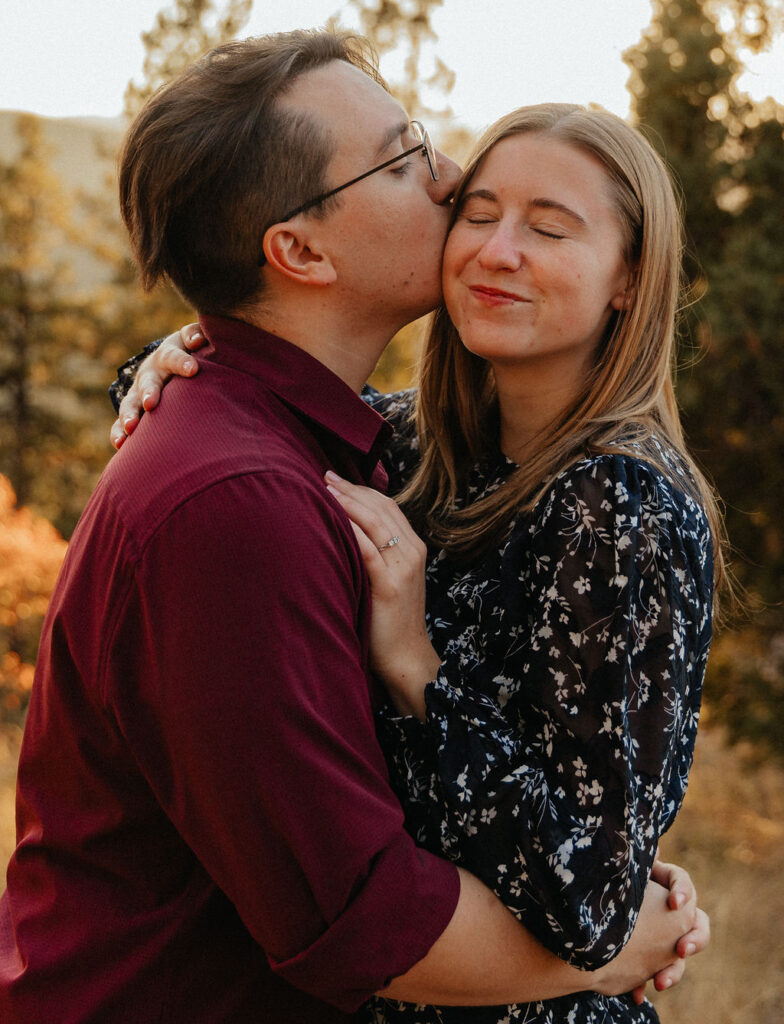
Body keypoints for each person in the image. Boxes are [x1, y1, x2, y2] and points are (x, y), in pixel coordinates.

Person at [0, 32, 706, 1024]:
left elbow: (571, 831)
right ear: (296, 250)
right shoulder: (249, 493)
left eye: (549, 226)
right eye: (405, 155)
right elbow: (368, 916)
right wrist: (614, 941)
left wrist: (601, 882)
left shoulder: (350, 445)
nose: (450, 180)